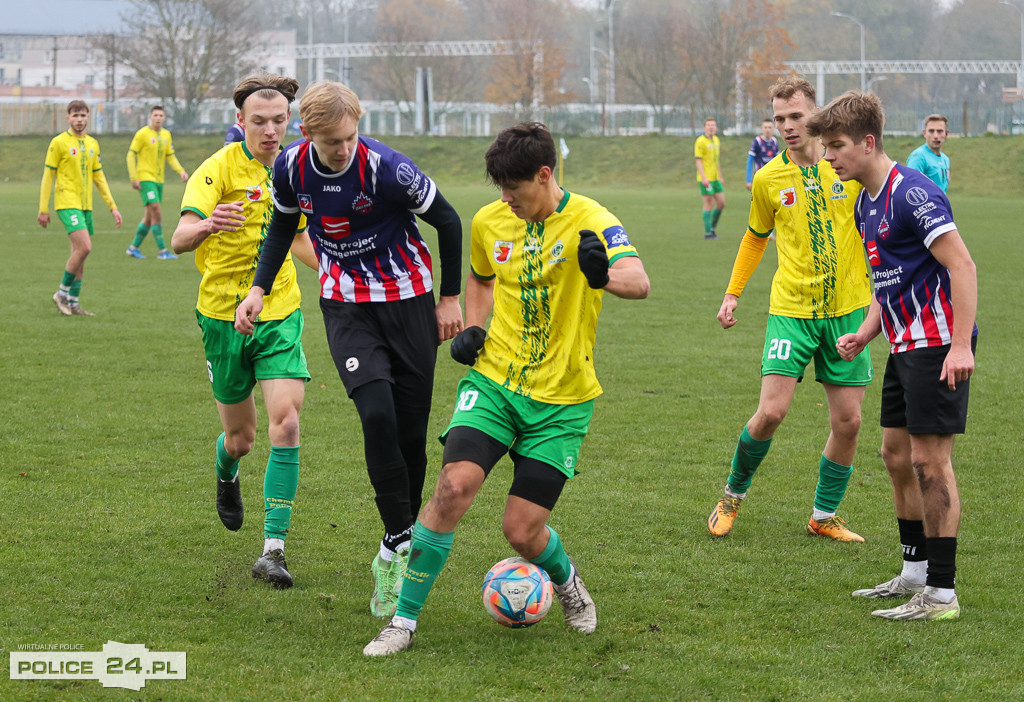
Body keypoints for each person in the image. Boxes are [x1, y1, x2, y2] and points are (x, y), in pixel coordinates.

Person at [362, 121, 651, 657]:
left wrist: (600, 276)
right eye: (499, 191)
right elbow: (479, 276)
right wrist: (474, 324)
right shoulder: (489, 221)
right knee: (452, 489)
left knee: (522, 530)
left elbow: (638, 280)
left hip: (562, 400)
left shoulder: (594, 220)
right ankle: (402, 621)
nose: (505, 201)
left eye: (513, 191)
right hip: (494, 382)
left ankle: (567, 584)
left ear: (544, 175)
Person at [234, 81, 464, 617]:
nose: (344, 149)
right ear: (307, 133)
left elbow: (448, 221)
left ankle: (398, 539)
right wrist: (258, 288)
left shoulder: (387, 168)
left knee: (410, 431)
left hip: (408, 301)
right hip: (346, 306)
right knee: (376, 414)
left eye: (351, 136)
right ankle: (397, 545)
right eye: (333, 141)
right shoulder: (290, 168)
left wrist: (449, 299)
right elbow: (281, 228)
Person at [808, 91, 977, 620]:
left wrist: (961, 344)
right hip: (903, 343)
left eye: (836, 146)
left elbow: (962, 266)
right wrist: (865, 332)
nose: (828, 157)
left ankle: (942, 594)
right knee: (896, 456)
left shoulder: (912, 194)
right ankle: (914, 572)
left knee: (931, 461)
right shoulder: (864, 200)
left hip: (937, 344)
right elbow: (891, 282)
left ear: (868, 141)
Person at [708, 76, 872, 543]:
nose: (787, 126)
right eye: (779, 118)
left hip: (847, 311)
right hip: (791, 311)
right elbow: (756, 236)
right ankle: (731, 496)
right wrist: (733, 292)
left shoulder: (848, 169)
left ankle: (824, 515)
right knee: (771, 413)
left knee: (849, 421)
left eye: (796, 116)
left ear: (815, 115)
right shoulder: (768, 179)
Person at [171, 73, 317, 590]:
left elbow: (299, 239)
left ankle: (273, 549)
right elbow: (179, 236)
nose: (271, 131)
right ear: (241, 122)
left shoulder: (298, 170)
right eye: (260, 121)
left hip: (278, 311)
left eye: (280, 121)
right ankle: (225, 471)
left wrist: (337, 269)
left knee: (287, 423)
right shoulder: (216, 170)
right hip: (219, 315)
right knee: (242, 438)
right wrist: (210, 224)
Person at [38, 99, 123, 317]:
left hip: (86, 205)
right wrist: (43, 208)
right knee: (85, 247)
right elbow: (48, 175)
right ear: (68, 118)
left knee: (79, 253)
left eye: (83, 115)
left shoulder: (93, 144)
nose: (79, 119)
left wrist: (112, 207)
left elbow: (99, 177)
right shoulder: (59, 142)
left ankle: (74, 303)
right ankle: (61, 293)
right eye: (75, 116)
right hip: (67, 202)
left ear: (88, 117)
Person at [125, 105, 189, 259]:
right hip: (146, 179)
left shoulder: (166, 135)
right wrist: (134, 177)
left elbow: (170, 156)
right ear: (150, 117)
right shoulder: (142, 134)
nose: (158, 118)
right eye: (155, 115)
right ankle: (162, 251)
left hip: (159, 181)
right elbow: (130, 155)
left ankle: (133, 248)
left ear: (164, 118)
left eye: (161, 115)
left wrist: (180, 171)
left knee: (149, 216)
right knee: (156, 210)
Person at [695, 117, 725, 240]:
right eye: (708, 125)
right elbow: (698, 161)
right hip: (705, 178)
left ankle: (711, 228)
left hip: (716, 178)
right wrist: (704, 177)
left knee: (721, 203)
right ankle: (708, 233)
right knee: (708, 204)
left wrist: (720, 176)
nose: (711, 127)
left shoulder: (716, 140)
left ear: (716, 127)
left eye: (713, 125)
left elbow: (716, 161)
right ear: (705, 128)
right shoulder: (700, 141)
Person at [906, 113, 950, 192]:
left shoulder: (945, 159)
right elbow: (910, 190)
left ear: (946, 134)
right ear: (925, 133)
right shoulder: (918, 156)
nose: (936, 136)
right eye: (931, 131)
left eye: (939, 131)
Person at [746, 118, 779, 190]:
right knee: (759, 200)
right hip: (759, 178)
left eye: (770, 127)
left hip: (772, 178)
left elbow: (778, 161)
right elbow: (750, 161)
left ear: (773, 129)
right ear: (762, 129)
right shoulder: (757, 141)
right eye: (765, 127)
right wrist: (749, 180)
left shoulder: (775, 141)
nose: (767, 130)